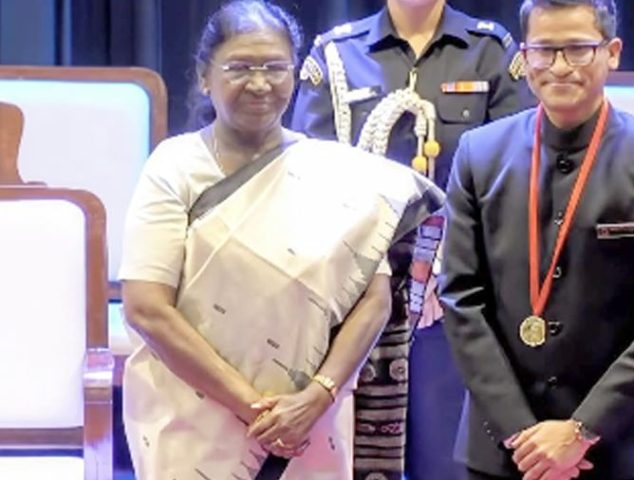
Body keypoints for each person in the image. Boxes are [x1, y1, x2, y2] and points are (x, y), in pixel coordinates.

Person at [118, 1, 443, 479]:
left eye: (275, 68)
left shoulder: (338, 174)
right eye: (239, 68)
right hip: (193, 423)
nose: (260, 83)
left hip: (310, 425)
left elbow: (374, 301)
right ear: (205, 77)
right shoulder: (174, 167)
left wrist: (318, 396)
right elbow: (146, 307)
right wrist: (256, 408)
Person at [439, 0, 634, 479]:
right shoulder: (479, 156)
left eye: (579, 49)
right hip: (504, 449)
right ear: (524, 58)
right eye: (544, 51)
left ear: (613, 52)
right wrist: (522, 433)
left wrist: (582, 430)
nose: (560, 67)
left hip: (624, 450)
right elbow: (461, 299)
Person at [291, 1, 534, 478]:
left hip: (456, 294)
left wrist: (451, 261)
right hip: (359, 293)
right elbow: (308, 177)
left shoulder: (490, 50)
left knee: (446, 459)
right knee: (355, 459)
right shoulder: (337, 56)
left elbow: (516, 173)